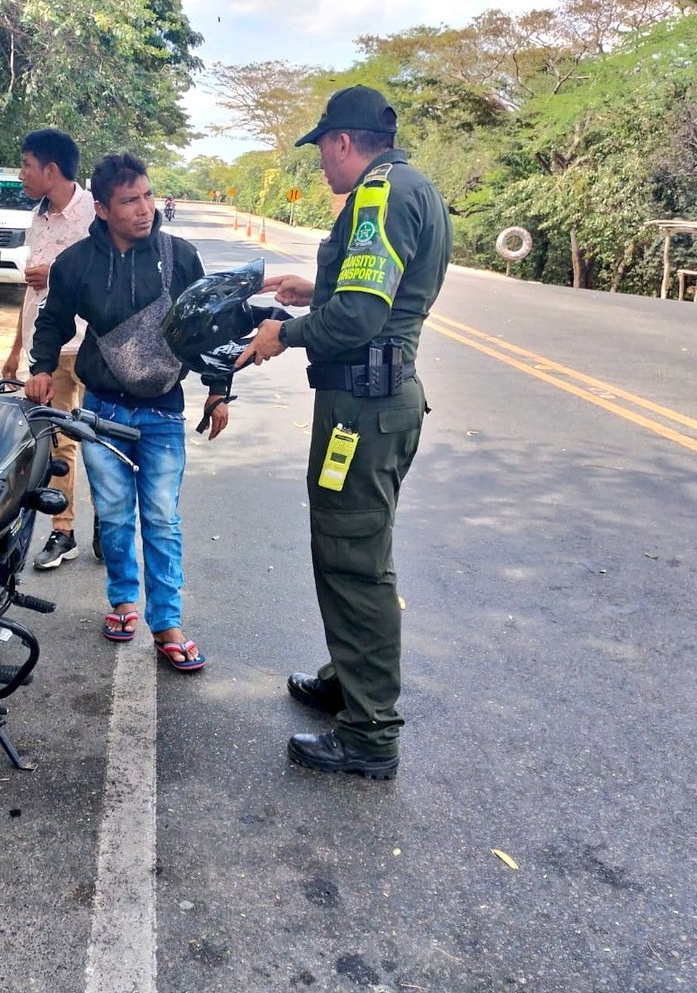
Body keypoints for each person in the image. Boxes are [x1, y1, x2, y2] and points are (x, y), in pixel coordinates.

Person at [236, 85, 453, 777]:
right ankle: (345, 681)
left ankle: (370, 734)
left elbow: (360, 317)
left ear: (342, 141)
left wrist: (284, 333)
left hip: (363, 411)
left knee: (356, 563)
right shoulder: (413, 186)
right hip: (377, 403)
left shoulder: (378, 195)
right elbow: (372, 297)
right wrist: (315, 287)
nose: (321, 169)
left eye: (322, 152)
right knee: (349, 552)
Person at [24, 153, 231, 671]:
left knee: (161, 516)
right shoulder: (77, 263)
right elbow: (52, 320)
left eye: (147, 196)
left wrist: (218, 388)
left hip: (162, 410)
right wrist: (42, 368)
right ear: (101, 208)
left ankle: (167, 624)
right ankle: (122, 602)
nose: (144, 209)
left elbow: (208, 328)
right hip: (101, 412)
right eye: (129, 201)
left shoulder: (180, 256)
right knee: (115, 515)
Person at [1, 128, 100, 569]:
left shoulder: (95, 214)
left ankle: (109, 526)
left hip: (94, 346)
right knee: (60, 445)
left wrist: (58, 274)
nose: (21, 174)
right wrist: (15, 349)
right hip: (49, 351)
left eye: (26, 165)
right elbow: (31, 292)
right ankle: (64, 533)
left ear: (51, 169)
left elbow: (111, 272)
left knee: (100, 442)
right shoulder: (37, 218)